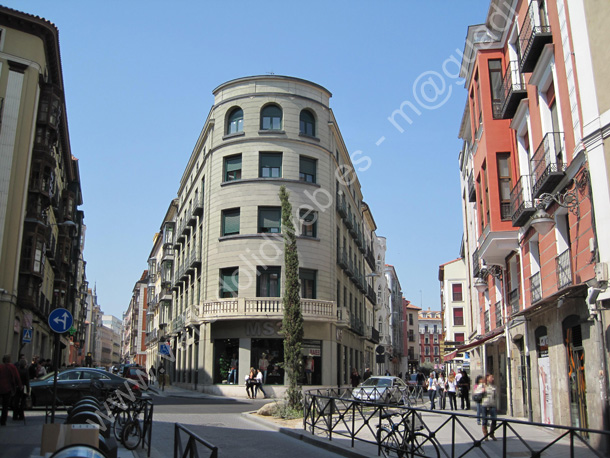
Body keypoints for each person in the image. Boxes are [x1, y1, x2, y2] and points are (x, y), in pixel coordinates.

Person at [0, 355, 22, 426]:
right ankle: (3, 421)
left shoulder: (1, 367)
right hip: (7, 388)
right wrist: (20, 386)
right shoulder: (12, 367)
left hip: (0, 387)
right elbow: (17, 377)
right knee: (5, 406)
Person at [481, 373, 497, 441]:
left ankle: (492, 433)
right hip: (484, 404)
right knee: (484, 419)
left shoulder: (494, 386)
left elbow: (495, 396)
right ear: (487, 378)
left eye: (493, 378)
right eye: (491, 377)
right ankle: (485, 435)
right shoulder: (483, 386)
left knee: (494, 419)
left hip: (492, 404)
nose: (492, 379)